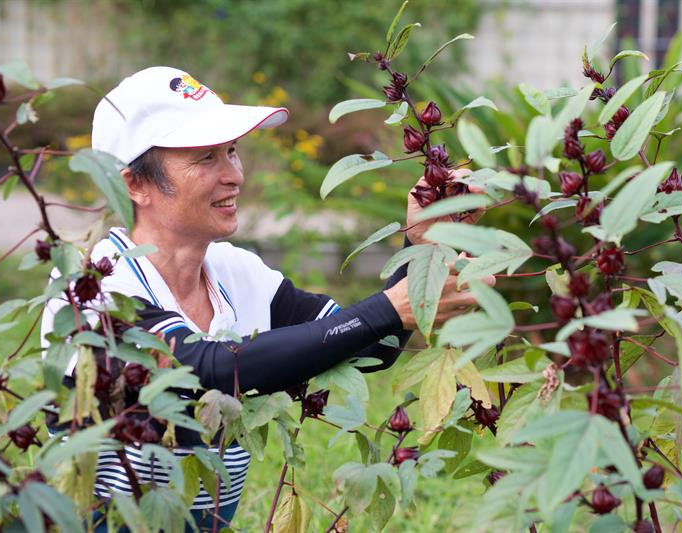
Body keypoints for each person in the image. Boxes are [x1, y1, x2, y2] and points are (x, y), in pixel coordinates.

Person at [40, 66, 489, 530]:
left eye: (232, 152)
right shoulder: (92, 283)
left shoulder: (237, 272)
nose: (234, 174)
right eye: (205, 158)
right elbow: (208, 370)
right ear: (134, 182)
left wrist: (420, 246)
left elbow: (368, 347)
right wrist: (387, 309)